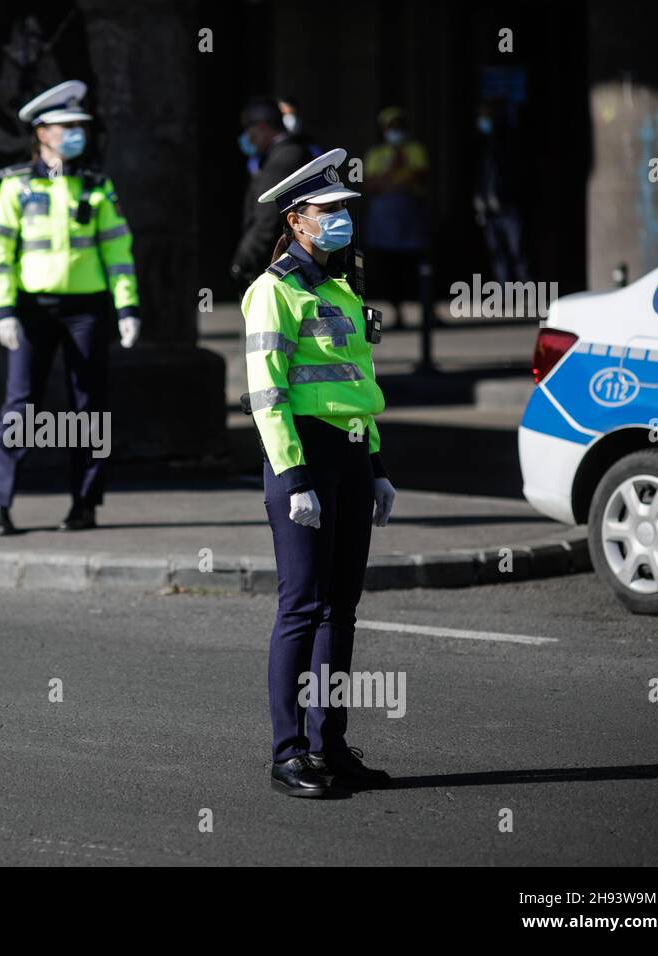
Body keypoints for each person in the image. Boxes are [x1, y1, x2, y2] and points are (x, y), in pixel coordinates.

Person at [241, 148, 397, 797]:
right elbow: (266, 393)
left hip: (352, 456)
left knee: (342, 611)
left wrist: (378, 465)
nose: (340, 219)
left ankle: (328, 746)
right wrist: (295, 476)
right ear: (297, 219)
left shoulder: (337, 287)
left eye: (343, 210)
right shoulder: (274, 292)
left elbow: (357, 384)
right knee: (301, 608)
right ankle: (287, 754)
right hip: (303, 457)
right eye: (327, 211)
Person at [0, 80, 140, 535]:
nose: (75, 134)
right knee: (20, 407)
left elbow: (118, 251)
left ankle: (85, 504)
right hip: (33, 309)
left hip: (86, 309)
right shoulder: (16, 186)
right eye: (65, 126)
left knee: (88, 409)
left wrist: (127, 308)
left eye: (79, 126)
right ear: (42, 132)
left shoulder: (95, 185)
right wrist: (3, 310)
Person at [230, 96, 319, 289]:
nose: (248, 137)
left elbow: (266, 220)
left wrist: (242, 262)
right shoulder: (289, 152)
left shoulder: (283, 158)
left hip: (280, 270)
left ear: (262, 127)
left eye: (249, 129)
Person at [363, 106, 429, 328]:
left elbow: (418, 177)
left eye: (398, 126)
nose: (395, 130)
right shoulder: (376, 154)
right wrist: (395, 171)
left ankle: (421, 310)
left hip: (409, 212)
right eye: (391, 126)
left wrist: (391, 181)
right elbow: (371, 183)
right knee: (388, 265)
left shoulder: (416, 150)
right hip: (384, 214)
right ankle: (396, 310)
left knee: (413, 263)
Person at [472, 102, 529, 285]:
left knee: (518, 250)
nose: (483, 122)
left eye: (486, 117)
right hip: (489, 209)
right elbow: (482, 176)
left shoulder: (510, 142)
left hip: (509, 206)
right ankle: (505, 290)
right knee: (497, 253)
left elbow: (517, 173)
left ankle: (527, 289)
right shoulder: (483, 144)